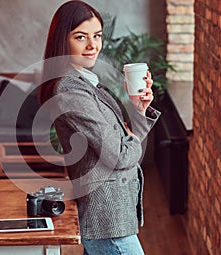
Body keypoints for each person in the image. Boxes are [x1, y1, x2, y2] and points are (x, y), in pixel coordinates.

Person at [38, 1, 160, 254]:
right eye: (81, 37)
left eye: (97, 36)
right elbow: (118, 155)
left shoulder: (86, 82)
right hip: (106, 219)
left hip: (115, 217)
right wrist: (128, 141)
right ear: (63, 40)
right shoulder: (70, 90)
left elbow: (125, 141)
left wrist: (138, 109)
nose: (93, 46)